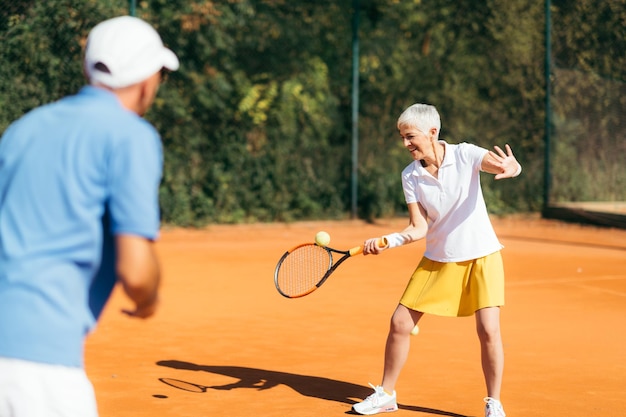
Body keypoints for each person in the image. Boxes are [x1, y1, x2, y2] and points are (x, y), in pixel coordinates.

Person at [0, 16, 179, 417]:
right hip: (40, 368)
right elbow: (135, 271)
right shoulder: (132, 135)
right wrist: (149, 296)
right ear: (148, 80)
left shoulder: (23, 129)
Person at [352, 103, 521, 417]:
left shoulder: (465, 154)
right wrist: (387, 241)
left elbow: (500, 165)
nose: (406, 144)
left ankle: (493, 403)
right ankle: (387, 394)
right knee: (400, 323)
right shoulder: (411, 175)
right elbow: (419, 227)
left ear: (432, 132)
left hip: (481, 256)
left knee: (488, 331)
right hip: (438, 259)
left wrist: (513, 167)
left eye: (410, 136)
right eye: (402, 137)